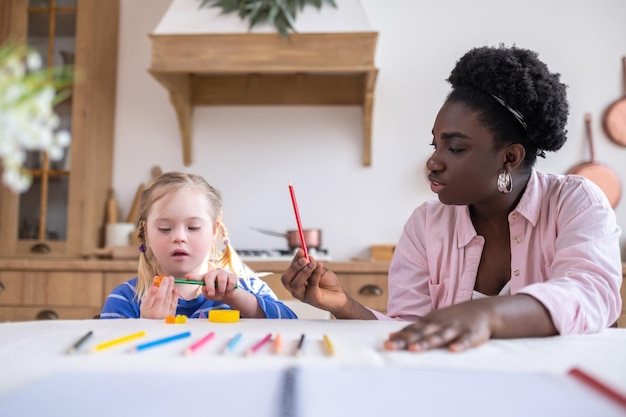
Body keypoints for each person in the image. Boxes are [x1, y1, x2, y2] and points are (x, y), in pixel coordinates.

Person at [281, 44, 622, 352]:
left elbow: (590, 293)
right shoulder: (425, 224)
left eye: (455, 148)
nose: (434, 161)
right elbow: (411, 331)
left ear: (510, 158)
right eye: (436, 144)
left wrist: (488, 315)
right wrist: (343, 306)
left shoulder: (575, 201)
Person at [101, 171, 296, 319]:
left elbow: (291, 325)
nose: (179, 237)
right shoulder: (126, 299)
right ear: (146, 232)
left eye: (193, 227)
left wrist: (237, 299)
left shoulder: (245, 286)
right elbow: (110, 368)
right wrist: (149, 326)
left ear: (214, 231)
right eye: (165, 228)